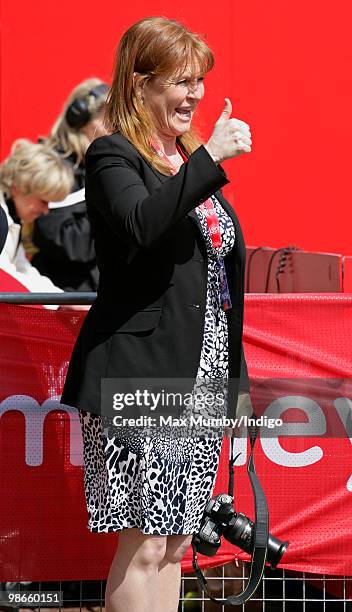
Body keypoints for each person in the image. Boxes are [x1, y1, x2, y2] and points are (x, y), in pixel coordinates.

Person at [61, 16, 252, 612]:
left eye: (200, 80)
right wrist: (212, 158)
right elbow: (142, 224)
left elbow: (218, 286)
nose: (195, 94)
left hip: (201, 374)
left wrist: (235, 396)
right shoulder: (113, 154)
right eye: (181, 80)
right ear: (141, 82)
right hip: (140, 372)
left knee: (174, 545)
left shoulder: (186, 158)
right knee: (144, 545)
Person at [31, 78, 109, 291]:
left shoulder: (108, 165)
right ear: (80, 121)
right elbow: (72, 244)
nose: (115, 126)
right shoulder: (55, 169)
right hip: (69, 299)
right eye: (106, 117)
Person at [0, 139, 73, 302]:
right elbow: (5, 275)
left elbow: (22, 268)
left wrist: (63, 301)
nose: (46, 210)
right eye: (43, 201)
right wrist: (60, 303)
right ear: (18, 187)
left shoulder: (13, 217)